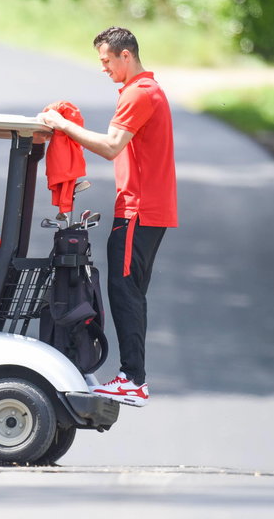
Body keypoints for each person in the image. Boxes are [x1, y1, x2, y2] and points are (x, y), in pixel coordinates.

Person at [35, 26, 178, 407]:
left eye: (106, 61)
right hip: (144, 209)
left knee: (125, 292)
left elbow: (113, 146)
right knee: (129, 292)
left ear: (125, 55)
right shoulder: (147, 90)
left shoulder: (138, 93)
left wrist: (63, 125)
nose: (104, 69)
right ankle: (133, 377)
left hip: (138, 209)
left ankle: (132, 379)